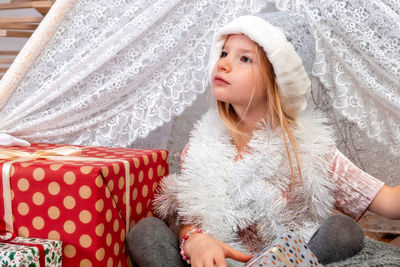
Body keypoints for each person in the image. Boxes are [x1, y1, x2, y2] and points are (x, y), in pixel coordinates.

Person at [126, 15, 400, 267]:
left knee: (343, 229)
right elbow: (190, 222)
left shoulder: (309, 149)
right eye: (223, 53)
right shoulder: (197, 149)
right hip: (220, 260)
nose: (222, 63)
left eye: (244, 59)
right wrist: (196, 240)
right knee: (146, 231)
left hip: (286, 257)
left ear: (278, 81)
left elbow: (388, 201)